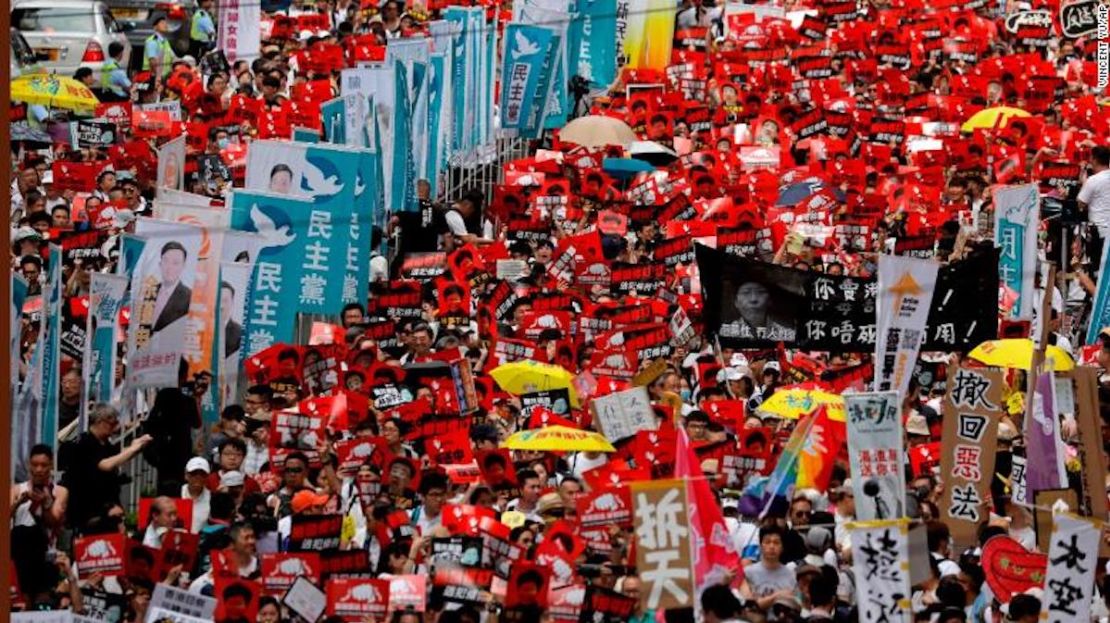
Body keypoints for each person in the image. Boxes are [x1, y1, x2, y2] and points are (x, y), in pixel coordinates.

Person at [61, 403, 152, 531]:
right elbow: (106, 464)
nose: (115, 428)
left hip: (109, 504)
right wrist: (132, 449)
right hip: (88, 508)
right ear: (100, 422)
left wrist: (137, 446)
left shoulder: (105, 443)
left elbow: (117, 456)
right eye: (113, 424)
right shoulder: (84, 443)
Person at [10, 444, 68, 538]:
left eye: (44, 465)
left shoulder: (60, 491)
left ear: (51, 465)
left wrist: (45, 504)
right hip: (19, 547)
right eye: (34, 465)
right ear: (29, 464)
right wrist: (19, 502)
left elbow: (53, 522)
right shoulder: (17, 490)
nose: (39, 469)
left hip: (46, 548)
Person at [739, 525, 797, 610]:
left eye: (776, 542)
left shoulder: (791, 574)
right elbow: (748, 606)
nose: (771, 546)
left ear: (782, 547)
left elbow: (798, 602)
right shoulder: (748, 573)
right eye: (767, 542)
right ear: (761, 545)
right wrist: (776, 596)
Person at [151, 241, 193, 332]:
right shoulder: (149, 291)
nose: (169, 267)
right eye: (166, 261)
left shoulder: (190, 297)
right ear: (160, 263)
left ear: (183, 266)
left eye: (175, 263)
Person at [182, 457, 212, 532]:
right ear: (186, 474)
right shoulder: (174, 493)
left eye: (202, 474)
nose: (198, 477)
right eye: (194, 473)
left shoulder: (212, 499)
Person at [144, 14, 177, 80]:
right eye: (162, 23)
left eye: (165, 23)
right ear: (155, 27)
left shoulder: (165, 41)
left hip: (164, 77)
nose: (165, 25)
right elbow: (152, 61)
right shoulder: (153, 41)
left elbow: (173, 57)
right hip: (154, 77)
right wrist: (156, 77)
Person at [220, 281, 242, 358]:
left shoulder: (240, 334)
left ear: (232, 303)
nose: (221, 306)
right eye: (218, 300)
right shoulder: (200, 329)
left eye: (225, 301)